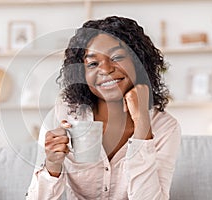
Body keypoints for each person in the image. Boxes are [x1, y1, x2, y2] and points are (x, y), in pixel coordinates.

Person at [26, 16, 181, 200]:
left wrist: (143, 126)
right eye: (92, 63)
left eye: (116, 57)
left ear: (139, 62)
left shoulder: (165, 128)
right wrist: (52, 165)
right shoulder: (62, 114)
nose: (106, 69)